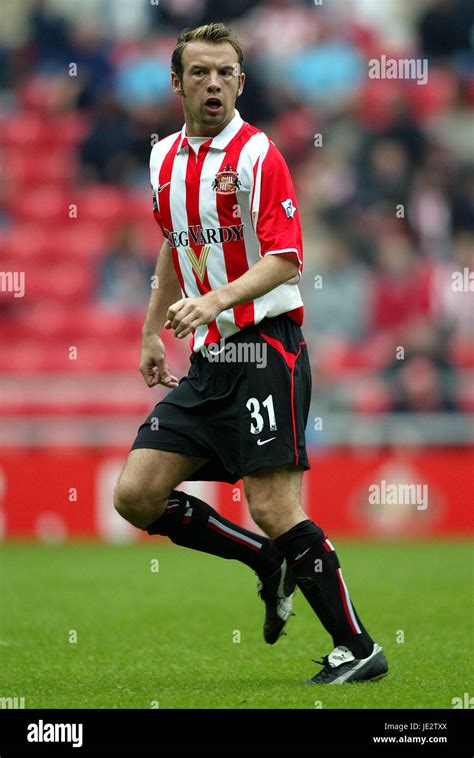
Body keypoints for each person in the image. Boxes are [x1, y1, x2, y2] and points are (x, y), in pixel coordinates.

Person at [114, 22, 388, 684]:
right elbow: (174, 248)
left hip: (266, 348)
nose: (214, 83)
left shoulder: (259, 154)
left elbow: (288, 260)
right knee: (136, 495)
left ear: (242, 81)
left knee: (273, 506)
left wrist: (215, 301)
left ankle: (359, 648)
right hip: (210, 361)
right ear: (176, 83)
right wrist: (152, 329)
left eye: (226, 72)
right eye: (200, 73)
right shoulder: (162, 160)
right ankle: (266, 563)